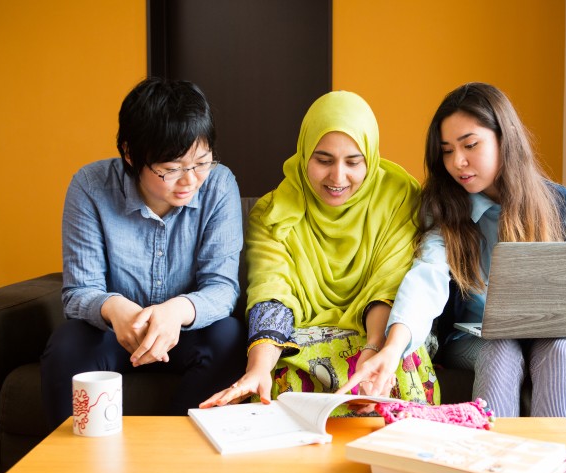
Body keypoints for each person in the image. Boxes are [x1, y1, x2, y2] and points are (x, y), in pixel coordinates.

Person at [341, 82, 566, 425]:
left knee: (562, 347)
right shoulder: (444, 208)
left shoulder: (563, 204)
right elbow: (426, 277)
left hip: (549, 332)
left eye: (470, 145)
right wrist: (392, 348)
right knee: (499, 349)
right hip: (473, 335)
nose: (458, 162)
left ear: (506, 138)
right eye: (446, 150)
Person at [200, 91, 439, 412]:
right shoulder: (274, 212)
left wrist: (372, 350)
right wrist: (258, 367)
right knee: (282, 372)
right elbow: (273, 293)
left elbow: (388, 285)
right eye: (323, 160)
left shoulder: (398, 198)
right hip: (301, 334)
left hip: (383, 331)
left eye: (354, 162)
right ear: (303, 154)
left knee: (400, 363)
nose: (338, 177)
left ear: (371, 156)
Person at [40, 77, 247, 429]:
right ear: (131, 154)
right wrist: (114, 308)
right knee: (67, 346)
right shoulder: (90, 187)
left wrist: (177, 311)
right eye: (170, 169)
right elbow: (79, 291)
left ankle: (176, 452)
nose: (190, 181)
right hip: (113, 330)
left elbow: (222, 287)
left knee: (228, 336)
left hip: (187, 330)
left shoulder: (219, 183)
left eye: (201, 162)